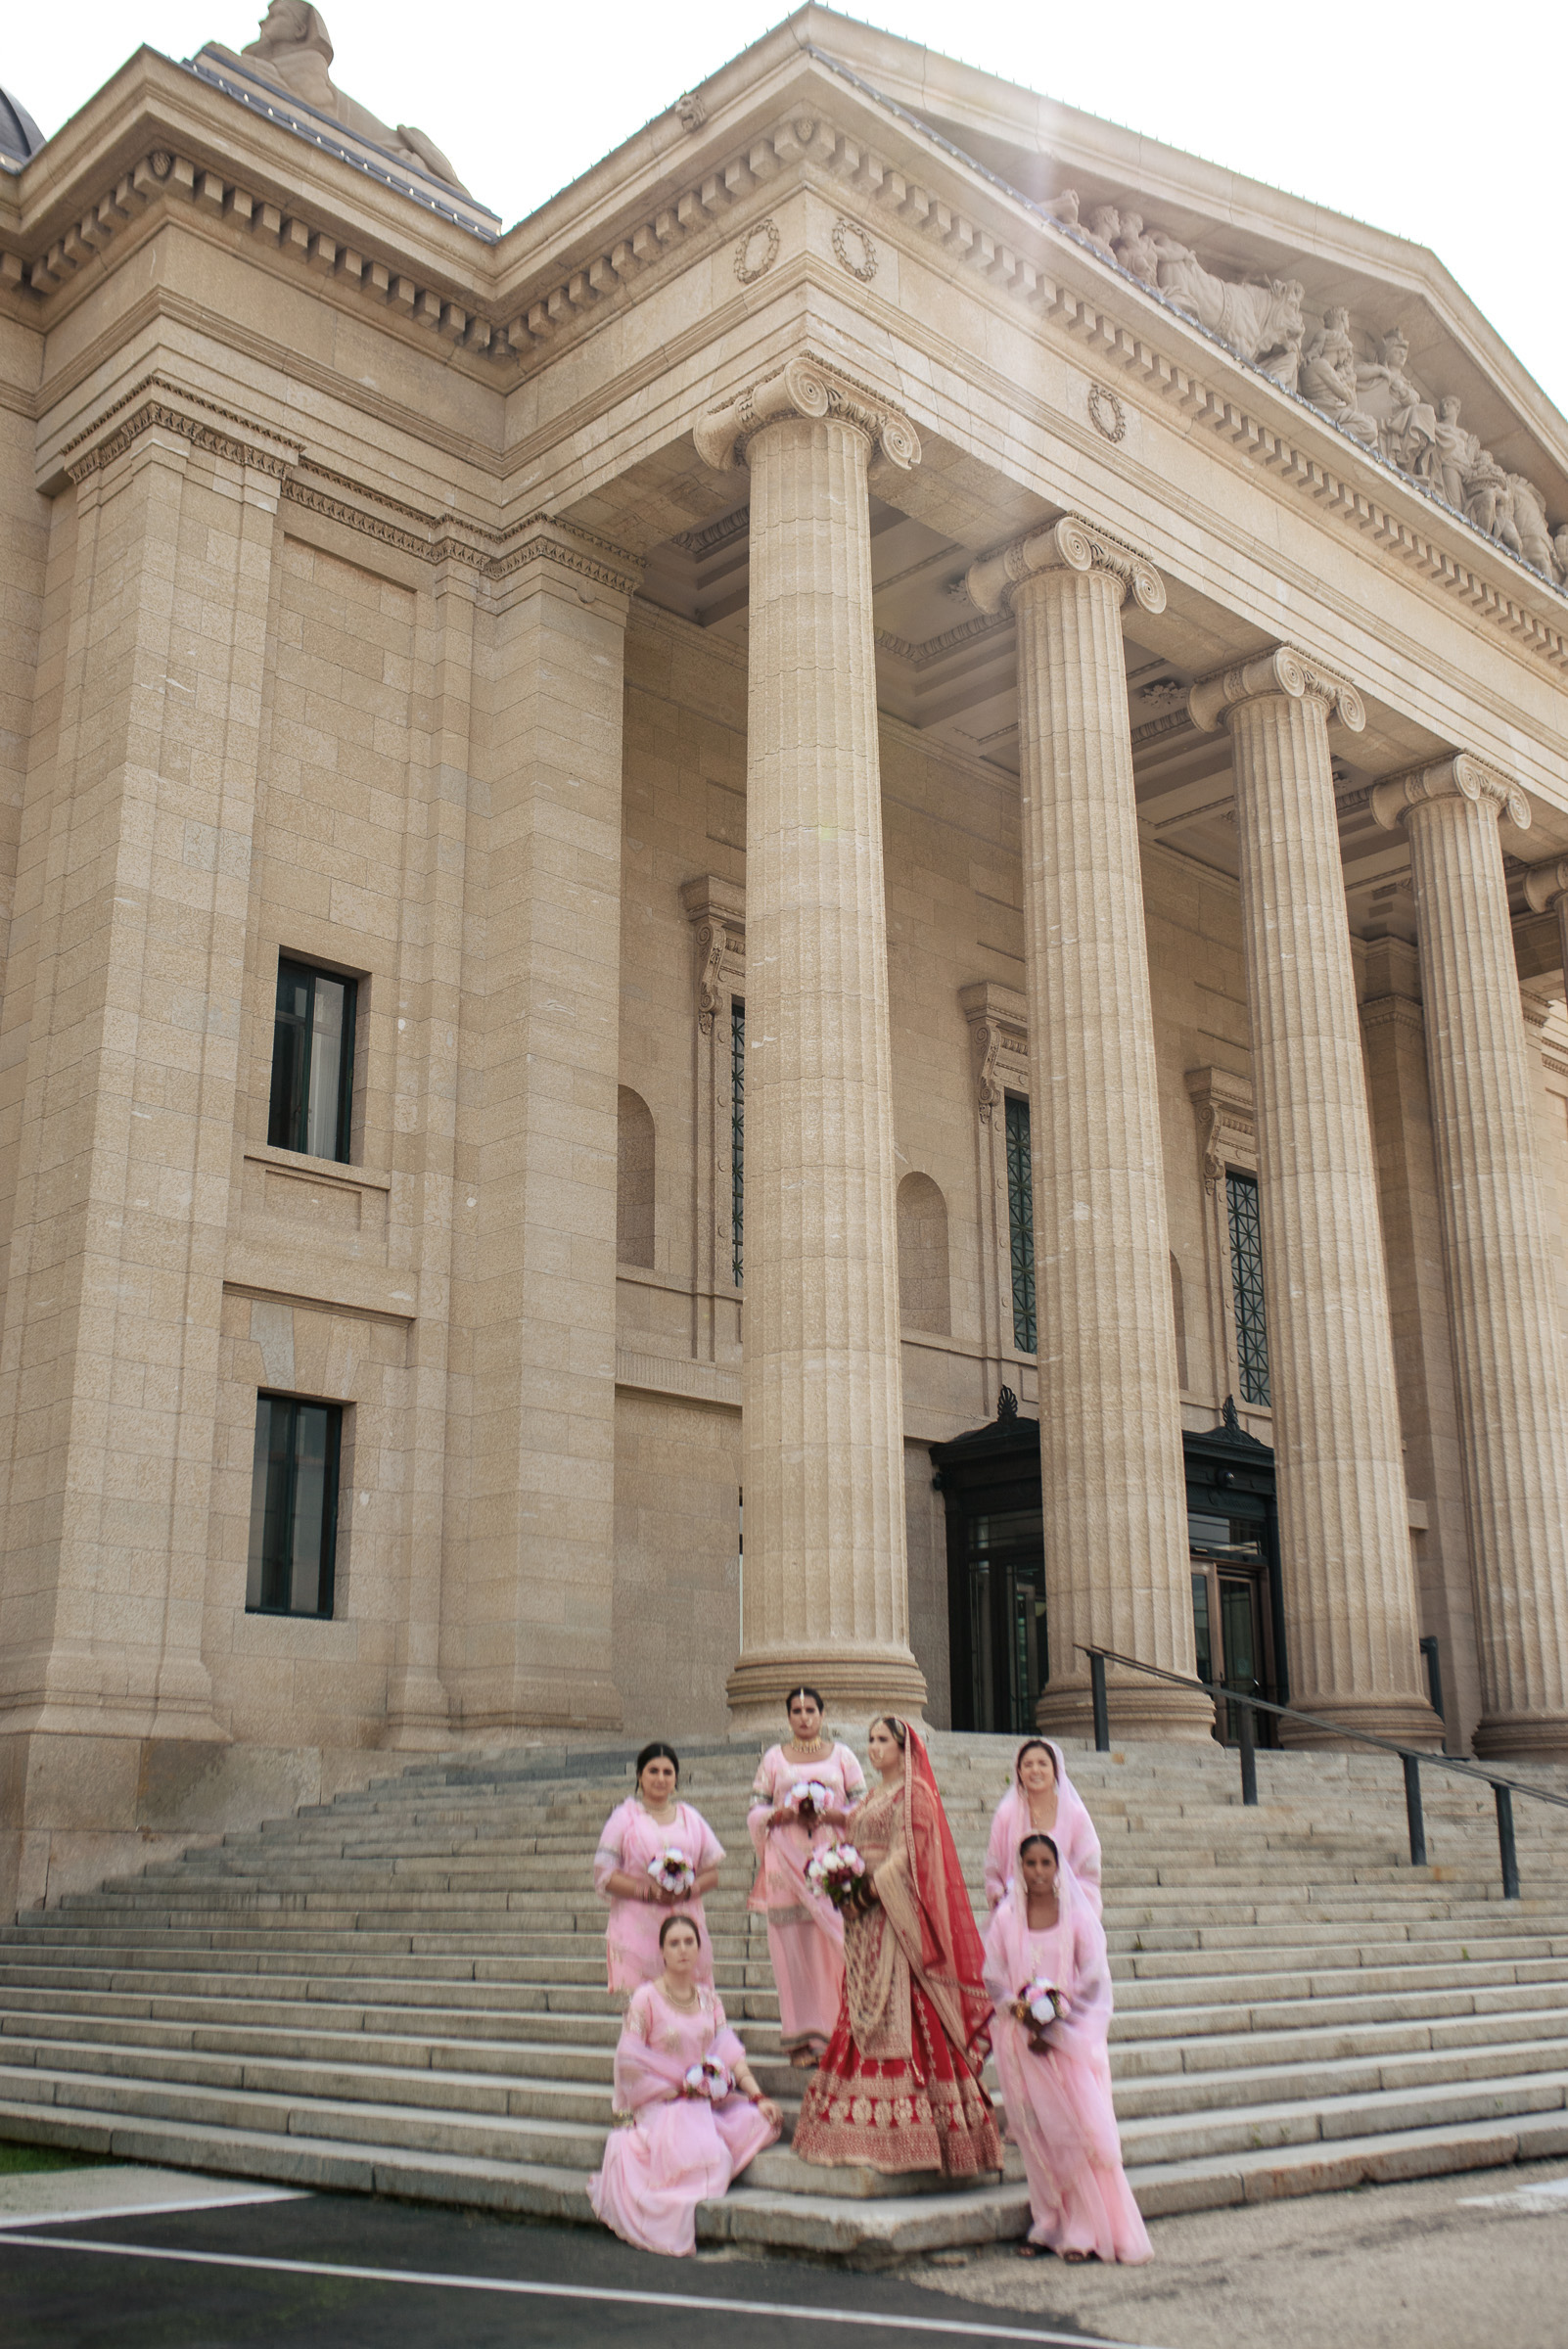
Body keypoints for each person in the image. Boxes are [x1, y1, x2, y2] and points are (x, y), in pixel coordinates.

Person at [792, 1716, 1001, 2177]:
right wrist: (838, 1875)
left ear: (904, 1747)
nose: (874, 1747)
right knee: (860, 2005)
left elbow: (912, 1854)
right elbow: (857, 1837)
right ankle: (856, 2129)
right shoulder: (871, 1796)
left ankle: (922, 2136)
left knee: (908, 2007)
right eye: (869, 1739)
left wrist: (868, 1888)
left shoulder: (916, 1795)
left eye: (883, 1739)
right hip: (863, 1920)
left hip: (894, 1919)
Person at [984, 1833, 1152, 2265]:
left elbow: (1096, 1984)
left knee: (1074, 2136)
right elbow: (994, 1976)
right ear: (1018, 1868)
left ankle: (1082, 2229)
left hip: (1069, 2047)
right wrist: (1019, 2011)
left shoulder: (1077, 1919)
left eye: (1046, 1863)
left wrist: (1058, 2022)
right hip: (1020, 2044)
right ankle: (1048, 2223)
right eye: (1030, 1864)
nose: (1038, 1872)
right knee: (1034, 2135)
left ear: (1058, 1868)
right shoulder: (1006, 1918)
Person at [589, 1912, 781, 2257]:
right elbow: (629, 2060)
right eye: (674, 1943)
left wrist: (757, 2094)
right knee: (713, 2156)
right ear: (661, 1951)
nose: (682, 1950)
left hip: (702, 2100)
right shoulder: (645, 1998)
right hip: (661, 2101)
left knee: (758, 2120)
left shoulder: (709, 1999)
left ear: (699, 1948)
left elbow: (730, 2053)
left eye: (689, 1942)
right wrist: (678, 2089)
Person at [748, 1686, 867, 2069]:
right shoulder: (773, 1758)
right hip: (785, 1866)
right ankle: (800, 2040)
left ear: (822, 1713)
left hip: (831, 1867)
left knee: (834, 1950)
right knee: (792, 1952)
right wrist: (782, 1814)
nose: (804, 1717)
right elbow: (756, 1810)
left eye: (810, 1709)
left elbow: (864, 1807)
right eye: (796, 1710)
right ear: (788, 1717)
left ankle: (839, 2034)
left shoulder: (843, 1756)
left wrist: (832, 1815)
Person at [594, 1742, 723, 1998]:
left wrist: (687, 1892)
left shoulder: (690, 1818)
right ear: (640, 1776)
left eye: (668, 1772)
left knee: (687, 2007)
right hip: (637, 1924)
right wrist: (647, 1892)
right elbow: (604, 1875)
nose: (661, 1778)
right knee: (643, 2010)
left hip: (684, 1924)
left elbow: (712, 1872)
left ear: (676, 1778)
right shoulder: (624, 1819)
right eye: (653, 1771)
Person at [985, 1738, 1102, 1917]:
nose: (1035, 1770)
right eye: (1028, 1764)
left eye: (1043, 1764)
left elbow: (1089, 1870)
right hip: (1016, 1916)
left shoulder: (1075, 1815)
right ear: (1019, 1771)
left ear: (1056, 1770)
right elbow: (994, 1868)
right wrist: (1000, 1893)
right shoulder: (1005, 1815)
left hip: (1066, 1913)